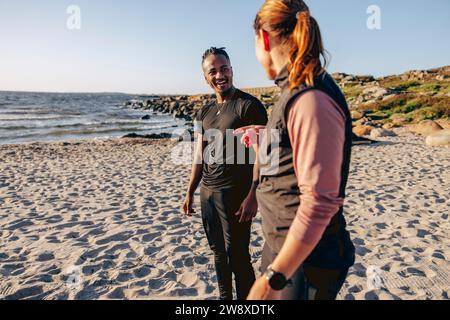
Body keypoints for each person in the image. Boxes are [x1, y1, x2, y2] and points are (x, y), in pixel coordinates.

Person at [236, 0, 355, 300]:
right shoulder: (294, 87)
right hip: (283, 246)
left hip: (306, 260)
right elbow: (298, 148)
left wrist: (273, 279)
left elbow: (320, 202)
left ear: (263, 38)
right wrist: (268, 137)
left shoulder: (310, 95)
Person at [181, 47, 268, 300]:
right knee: (218, 254)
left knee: (238, 255)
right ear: (205, 77)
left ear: (232, 70)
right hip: (208, 193)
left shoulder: (248, 106)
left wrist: (253, 194)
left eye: (224, 69)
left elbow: (264, 156)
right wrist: (190, 192)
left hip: (237, 193)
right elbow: (200, 155)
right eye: (213, 71)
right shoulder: (203, 113)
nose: (220, 75)